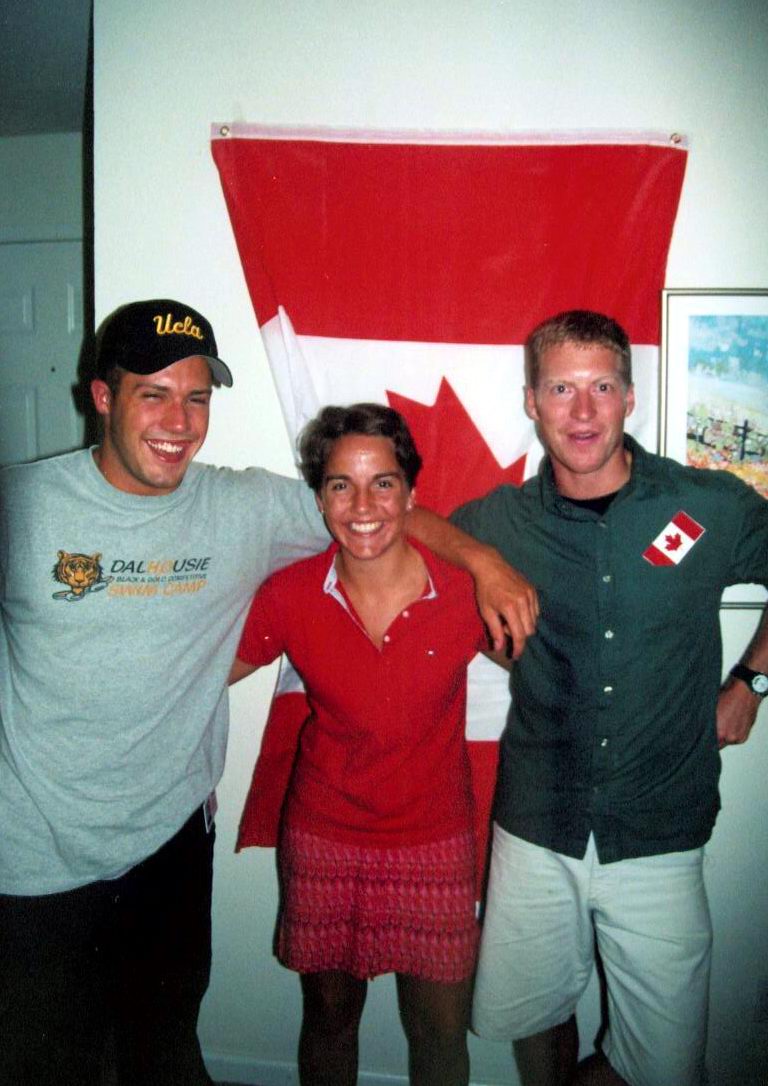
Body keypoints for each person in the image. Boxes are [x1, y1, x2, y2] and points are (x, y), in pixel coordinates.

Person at [0, 298, 537, 1086]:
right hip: (34, 854)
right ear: (103, 397)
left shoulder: (243, 504)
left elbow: (380, 513)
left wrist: (484, 563)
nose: (178, 421)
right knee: (42, 1059)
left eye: (197, 397)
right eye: (154, 393)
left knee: (164, 1048)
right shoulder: (23, 504)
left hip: (170, 842)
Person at [450, 310, 768, 1086]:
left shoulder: (707, 505)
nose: (583, 411)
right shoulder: (502, 520)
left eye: (601, 387)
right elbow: (408, 528)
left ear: (629, 396)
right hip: (537, 822)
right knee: (532, 1018)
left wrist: (752, 681)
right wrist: (481, 565)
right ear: (532, 402)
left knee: (665, 1067)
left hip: (658, 827)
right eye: (561, 389)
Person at [230, 404, 494, 1086]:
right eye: (341, 485)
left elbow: (556, 670)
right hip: (325, 836)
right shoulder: (290, 594)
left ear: (410, 494)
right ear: (319, 499)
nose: (363, 505)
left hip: (434, 840)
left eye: (383, 483)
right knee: (329, 1017)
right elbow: (203, 674)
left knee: (439, 1031)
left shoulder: (464, 593)